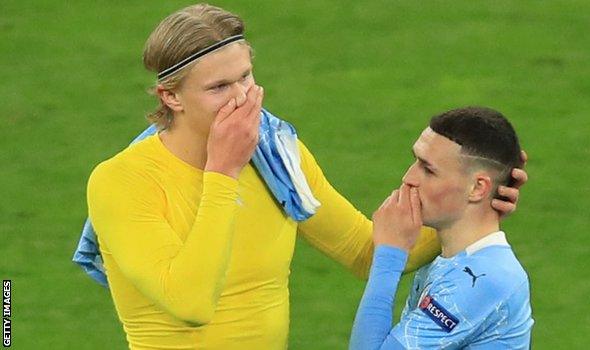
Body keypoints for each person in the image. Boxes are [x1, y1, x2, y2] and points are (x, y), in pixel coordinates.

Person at [77, 4, 527, 350]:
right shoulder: (122, 181)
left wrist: (472, 209)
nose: (243, 99)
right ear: (170, 96)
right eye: (219, 88)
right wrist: (223, 172)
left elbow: (365, 252)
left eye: (246, 77)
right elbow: (190, 303)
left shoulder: (276, 155)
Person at [349, 107, 534, 349]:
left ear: (478, 188)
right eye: (415, 161)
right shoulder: (448, 259)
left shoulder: (484, 279)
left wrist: (389, 254)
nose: (409, 178)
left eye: (428, 169)